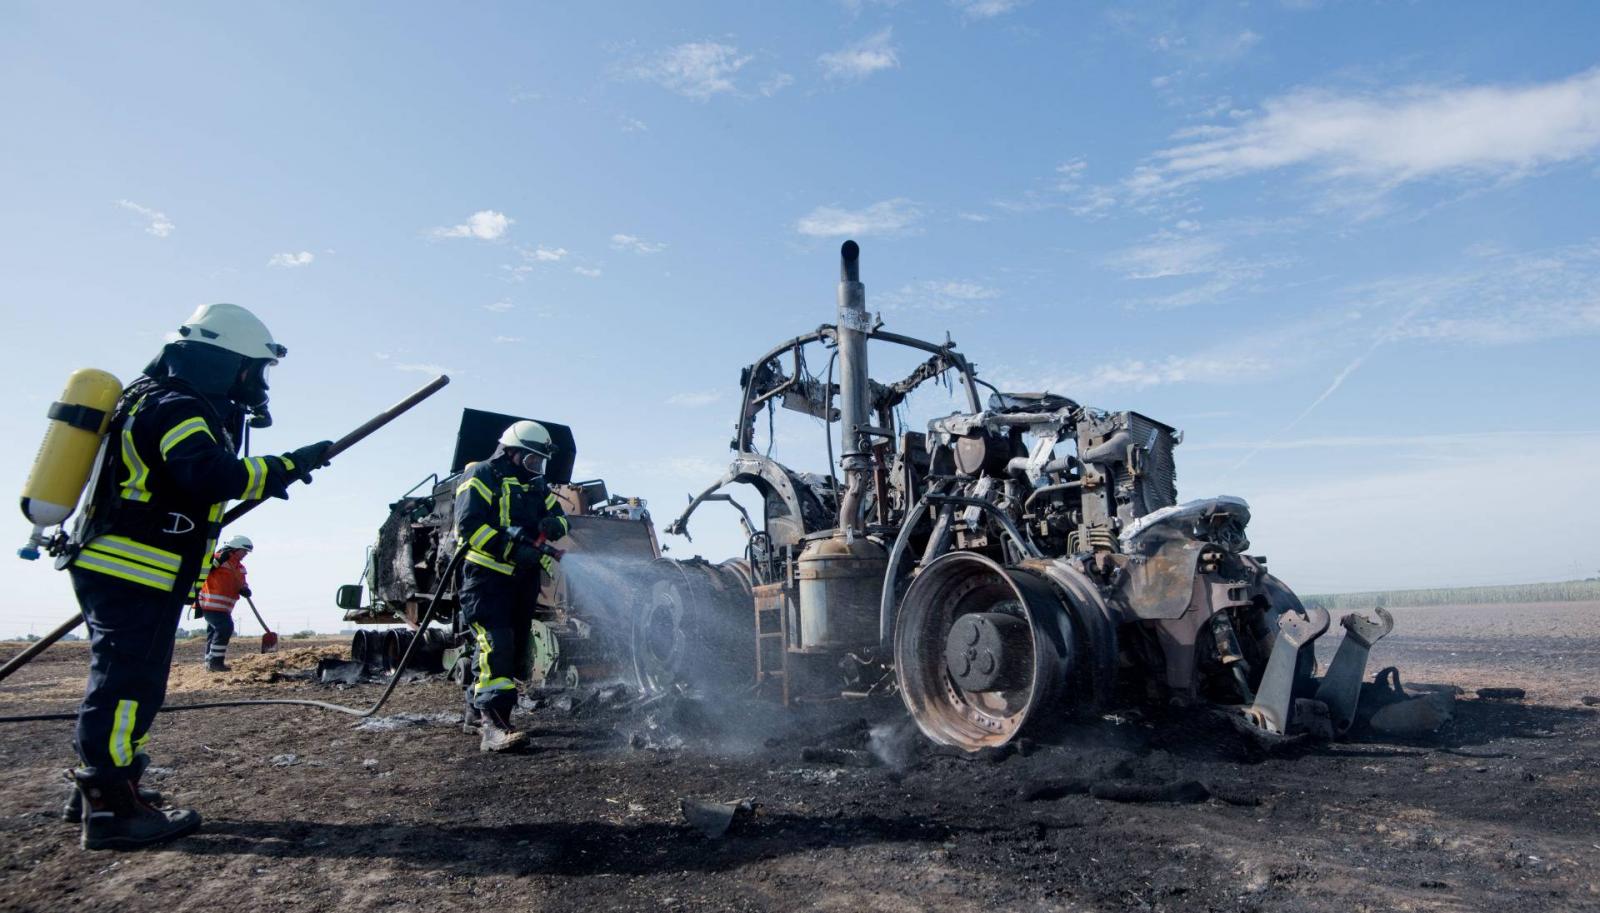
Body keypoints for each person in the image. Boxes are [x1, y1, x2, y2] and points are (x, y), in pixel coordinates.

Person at [62, 303, 332, 851]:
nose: (257, 382)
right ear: (226, 363)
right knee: (127, 687)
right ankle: (112, 811)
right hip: (136, 567)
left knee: (124, 683)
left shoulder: (154, 397)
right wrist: (287, 466)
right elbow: (208, 474)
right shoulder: (181, 405)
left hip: (128, 567)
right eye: (253, 368)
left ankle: (106, 790)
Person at [452, 420, 570, 752]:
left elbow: (562, 518)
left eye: (540, 462)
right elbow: (469, 528)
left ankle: (475, 714)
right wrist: (511, 549)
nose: (537, 468)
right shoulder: (481, 475)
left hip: (522, 580)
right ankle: (495, 728)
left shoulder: (536, 486)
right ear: (512, 452)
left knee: (512, 651)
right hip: (487, 578)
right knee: (496, 644)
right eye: (532, 460)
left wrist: (552, 524)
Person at [196, 535, 254, 672]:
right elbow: (203, 571)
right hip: (210, 604)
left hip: (225, 607)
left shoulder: (239, 567)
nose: (246, 554)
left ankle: (209, 664)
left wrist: (245, 589)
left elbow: (241, 583)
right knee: (225, 627)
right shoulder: (218, 558)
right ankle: (215, 662)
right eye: (244, 551)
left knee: (214, 632)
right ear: (235, 549)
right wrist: (216, 562)